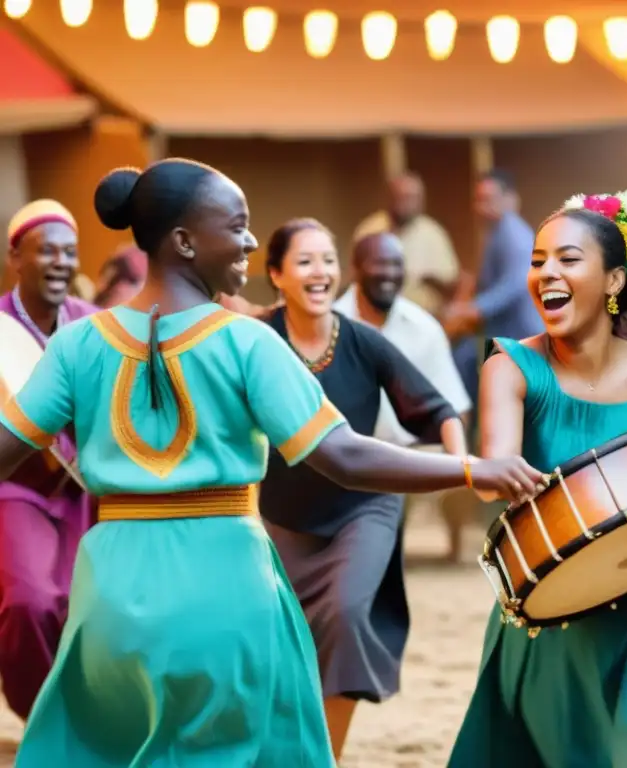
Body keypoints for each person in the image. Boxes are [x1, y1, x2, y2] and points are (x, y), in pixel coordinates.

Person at [0, 158, 543, 766]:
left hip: (113, 600)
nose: (251, 242)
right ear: (183, 241)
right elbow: (342, 456)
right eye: (236, 226)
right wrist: (470, 469)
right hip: (226, 588)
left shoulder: (78, 344)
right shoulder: (248, 341)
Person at [449, 190, 627, 767]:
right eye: (537, 261)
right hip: (558, 605)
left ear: (612, 281)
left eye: (567, 259)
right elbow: (494, 468)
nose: (546, 273)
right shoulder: (510, 367)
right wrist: (488, 472)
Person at [258, 218, 469, 762]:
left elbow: (436, 409)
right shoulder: (256, 341)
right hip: (281, 520)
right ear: (277, 274)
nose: (320, 272)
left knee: (348, 613)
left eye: (327, 259)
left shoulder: (362, 341)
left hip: (365, 508)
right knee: (283, 642)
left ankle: (326, 756)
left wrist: (461, 462)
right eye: (305, 261)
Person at [0, 199, 97, 722]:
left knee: (83, 612)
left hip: (90, 496)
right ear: (16, 256)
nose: (61, 262)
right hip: (17, 491)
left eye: (70, 252)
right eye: (47, 251)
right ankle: (45, 718)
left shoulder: (95, 325)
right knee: (29, 604)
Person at [335, 231, 473, 561]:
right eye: (379, 264)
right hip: (347, 449)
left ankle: (449, 544)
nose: (389, 273)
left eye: (397, 264)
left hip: (409, 450)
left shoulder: (423, 328)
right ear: (355, 268)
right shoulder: (330, 324)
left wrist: (460, 464)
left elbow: (455, 403)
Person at [444, 169, 544, 403]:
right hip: (500, 334)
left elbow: (515, 283)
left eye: (489, 199)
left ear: (510, 199)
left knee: (465, 361)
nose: (482, 206)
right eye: (479, 199)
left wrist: (473, 308)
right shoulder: (494, 233)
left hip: (521, 335)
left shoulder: (513, 232)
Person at [351, 172, 460, 317]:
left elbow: (451, 282)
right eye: (403, 196)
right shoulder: (369, 231)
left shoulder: (433, 232)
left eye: (414, 198)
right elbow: (355, 280)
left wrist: (432, 281)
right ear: (390, 197)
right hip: (379, 317)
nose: (408, 203)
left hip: (424, 317)